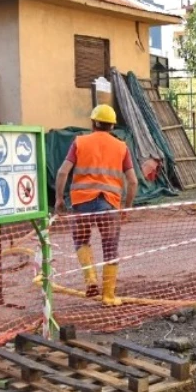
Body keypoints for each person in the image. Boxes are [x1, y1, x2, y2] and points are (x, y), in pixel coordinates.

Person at [57, 104, 138, 305]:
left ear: (93, 123)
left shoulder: (79, 142)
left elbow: (62, 172)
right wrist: (126, 206)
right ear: (112, 126)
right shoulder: (121, 147)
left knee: (81, 240)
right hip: (109, 204)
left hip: (82, 202)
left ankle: (90, 278)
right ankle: (109, 296)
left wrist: (59, 199)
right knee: (110, 248)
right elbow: (133, 181)